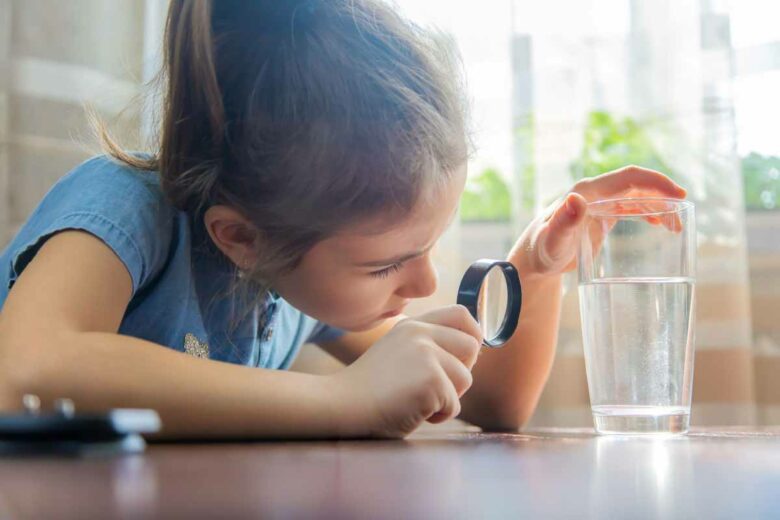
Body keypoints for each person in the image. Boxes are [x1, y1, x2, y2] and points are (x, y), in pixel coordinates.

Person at [0, 0, 686, 439]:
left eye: (429, 246)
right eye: (387, 262)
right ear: (240, 237)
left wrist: (537, 268)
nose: (422, 284)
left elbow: (492, 404)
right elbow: (27, 368)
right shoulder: (124, 205)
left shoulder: (296, 280)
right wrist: (342, 402)